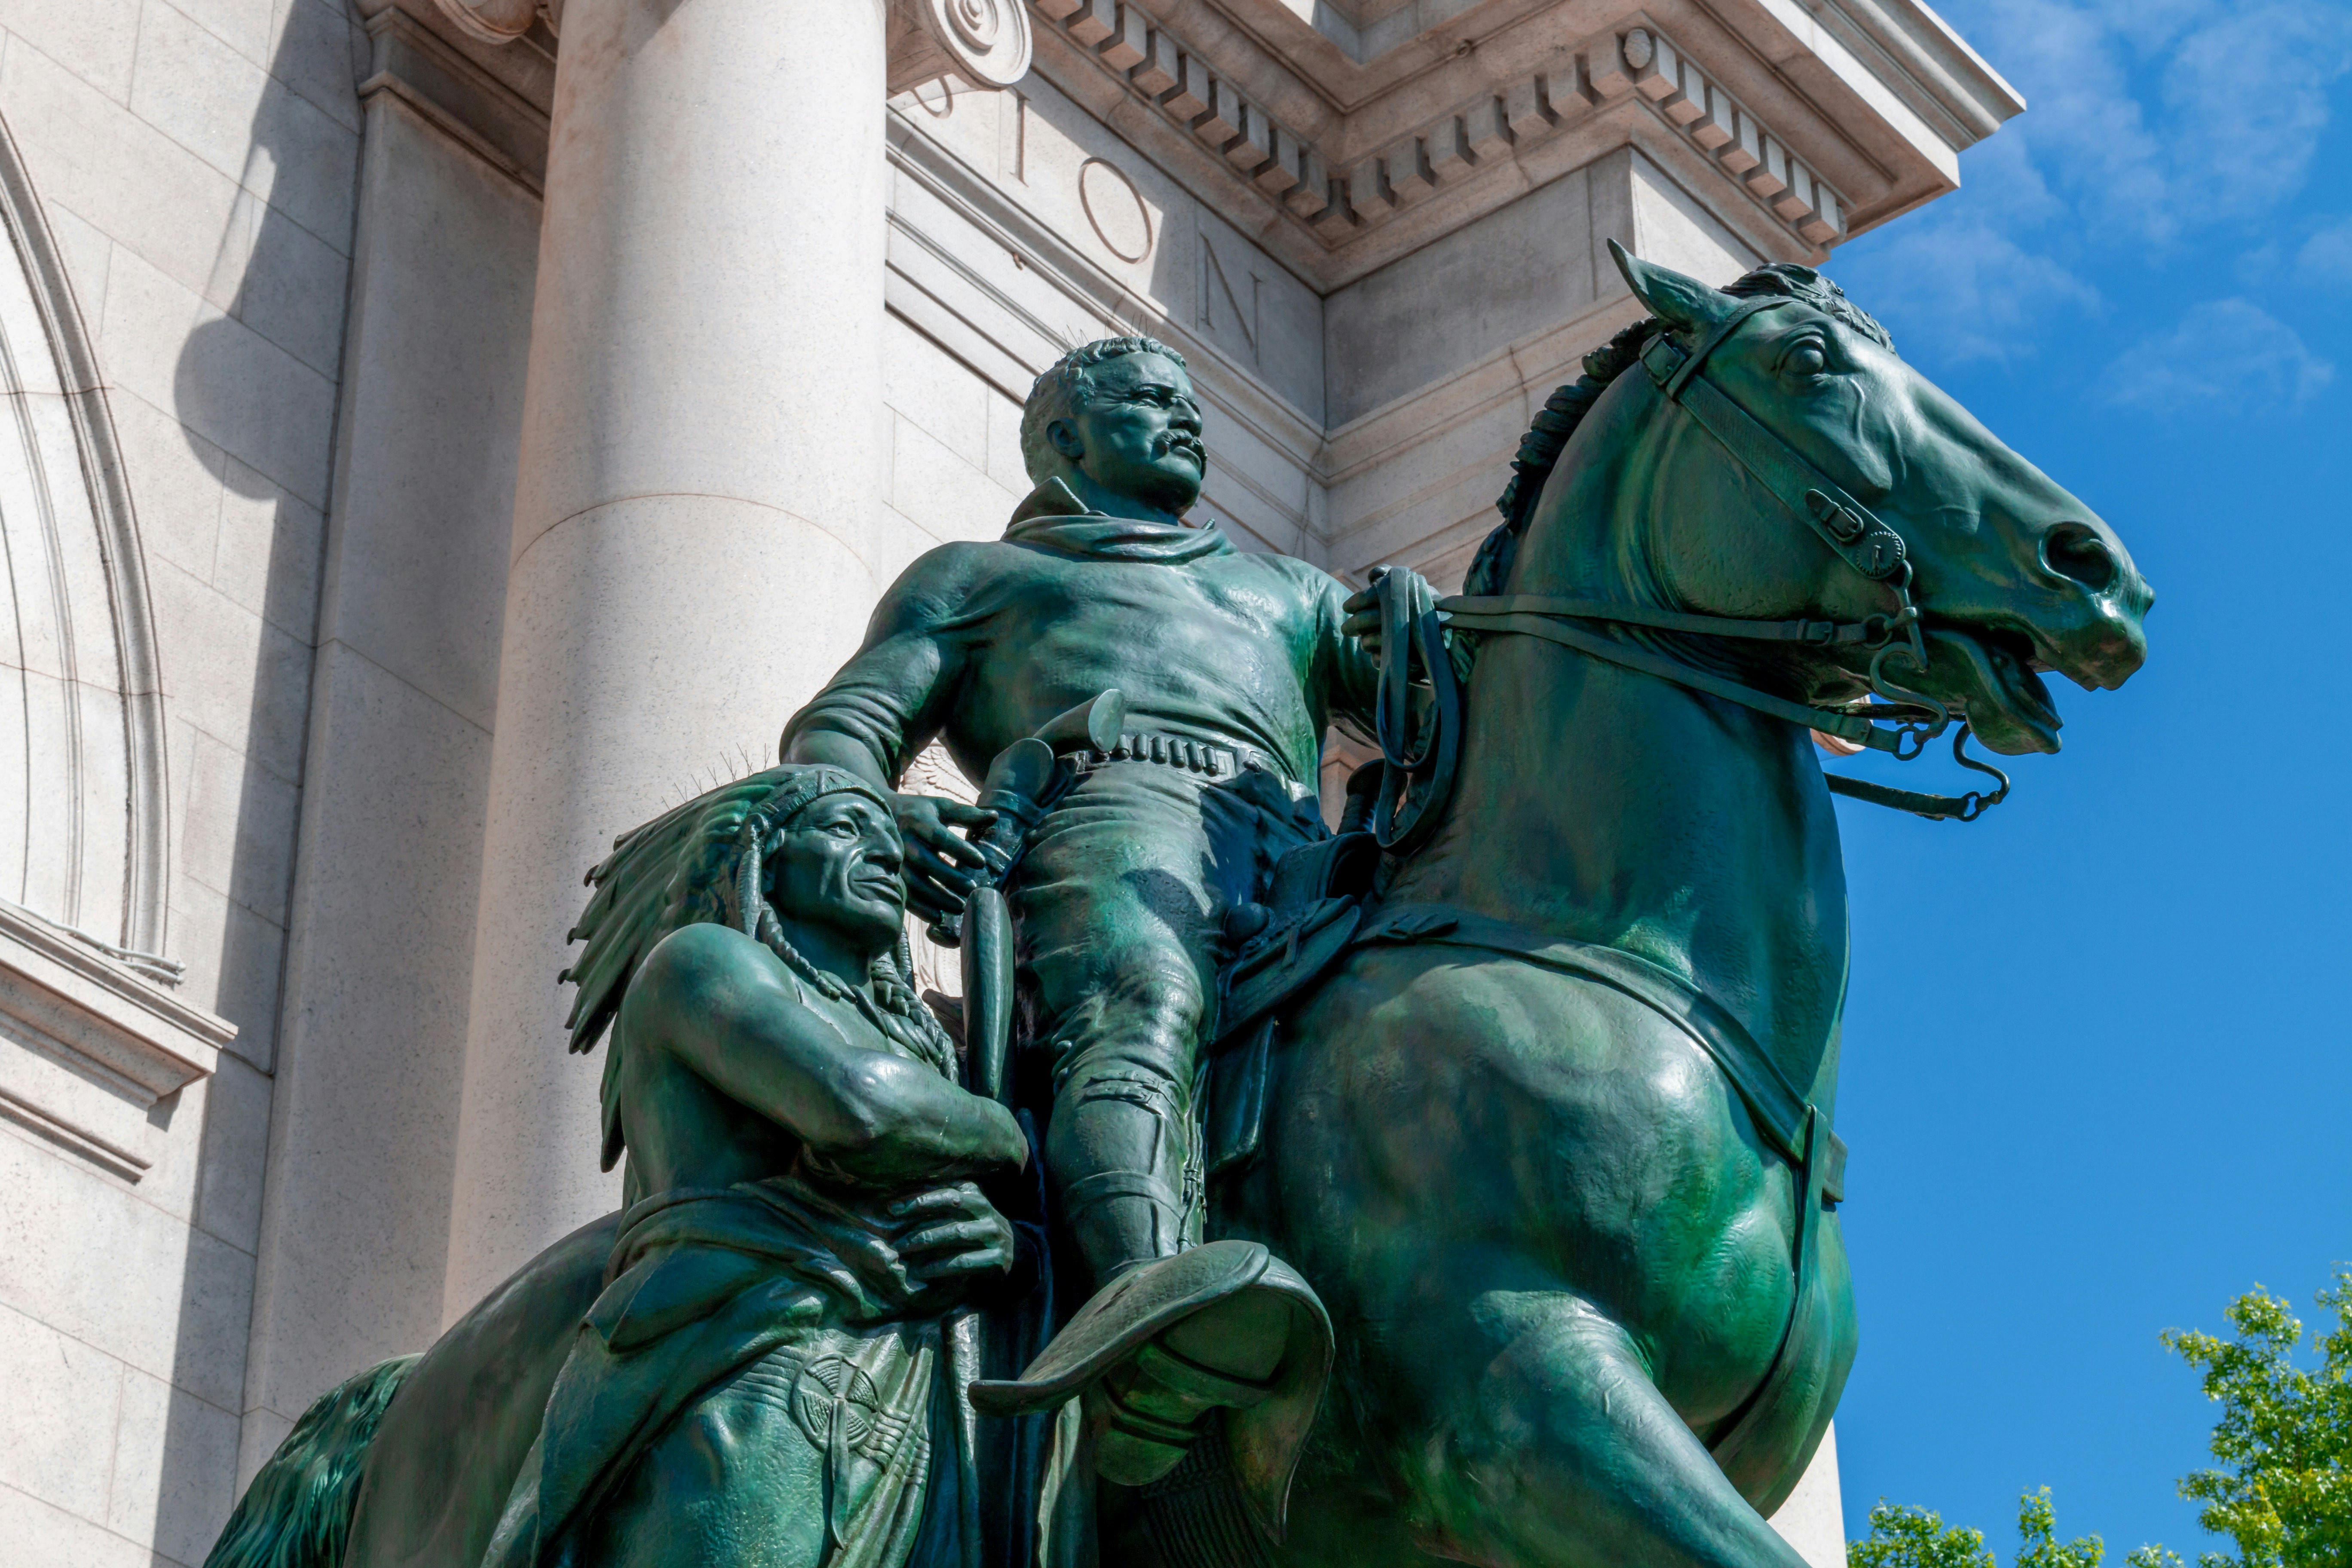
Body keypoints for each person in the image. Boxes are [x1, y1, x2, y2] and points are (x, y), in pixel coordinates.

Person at [493, 764, 1032, 1568]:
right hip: (735, 1362)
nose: (884, 857)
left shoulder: (919, 1045)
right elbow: (860, 1108)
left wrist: (997, 1237)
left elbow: (931, 1157)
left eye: (891, 842)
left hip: (908, 1384)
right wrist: (1011, 1134)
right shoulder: (701, 965)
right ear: (766, 854)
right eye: (847, 830)